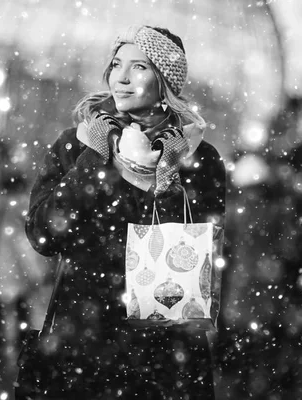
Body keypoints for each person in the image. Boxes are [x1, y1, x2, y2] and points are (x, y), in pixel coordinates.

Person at [16, 24, 226, 399]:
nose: (122, 78)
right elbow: (44, 235)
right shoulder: (77, 143)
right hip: (79, 344)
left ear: (165, 82)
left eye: (140, 67)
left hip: (162, 355)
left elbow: (193, 252)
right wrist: (93, 161)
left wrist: (168, 180)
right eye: (116, 64)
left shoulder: (197, 157)